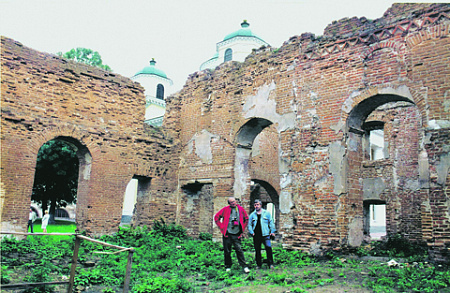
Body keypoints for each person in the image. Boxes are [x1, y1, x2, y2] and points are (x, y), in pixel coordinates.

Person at [214, 197, 250, 273]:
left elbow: (246, 218)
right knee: (227, 251)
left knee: (239, 250)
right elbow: (216, 217)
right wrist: (222, 227)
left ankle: (244, 266)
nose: (233, 203)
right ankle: (228, 266)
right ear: (229, 203)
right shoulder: (225, 209)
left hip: (237, 234)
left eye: (234, 201)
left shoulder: (240, 209)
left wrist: (242, 228)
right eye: (231, 202)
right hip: (227, 233)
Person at [248, 199, 276, 269]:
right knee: (257, 250)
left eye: (257, 204)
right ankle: (258, 264)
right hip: (256, 235)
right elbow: (249, 225)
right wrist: (252, 232)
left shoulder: (267, 213)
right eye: (255, 205)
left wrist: (272, 231)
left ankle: (270, 264)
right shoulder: (252, 215)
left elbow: (271, 222)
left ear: (260, 205)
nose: (256, 206)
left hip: (265, 234)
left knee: (268, 249)